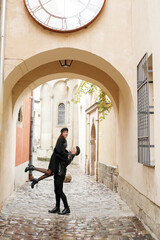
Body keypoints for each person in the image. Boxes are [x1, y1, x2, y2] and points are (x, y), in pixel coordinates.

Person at [25, 127, 80, 215]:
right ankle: (57, 207)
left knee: (60, 191)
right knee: (56, 190)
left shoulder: (69, 156)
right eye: (64, 132)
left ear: (75, 153)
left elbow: (61, 155)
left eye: (74, 149)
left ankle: (67, 208)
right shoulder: (68, 154)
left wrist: (57, 152)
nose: (72, 148)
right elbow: (61, 152)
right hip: (57, 172)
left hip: (60, 174)